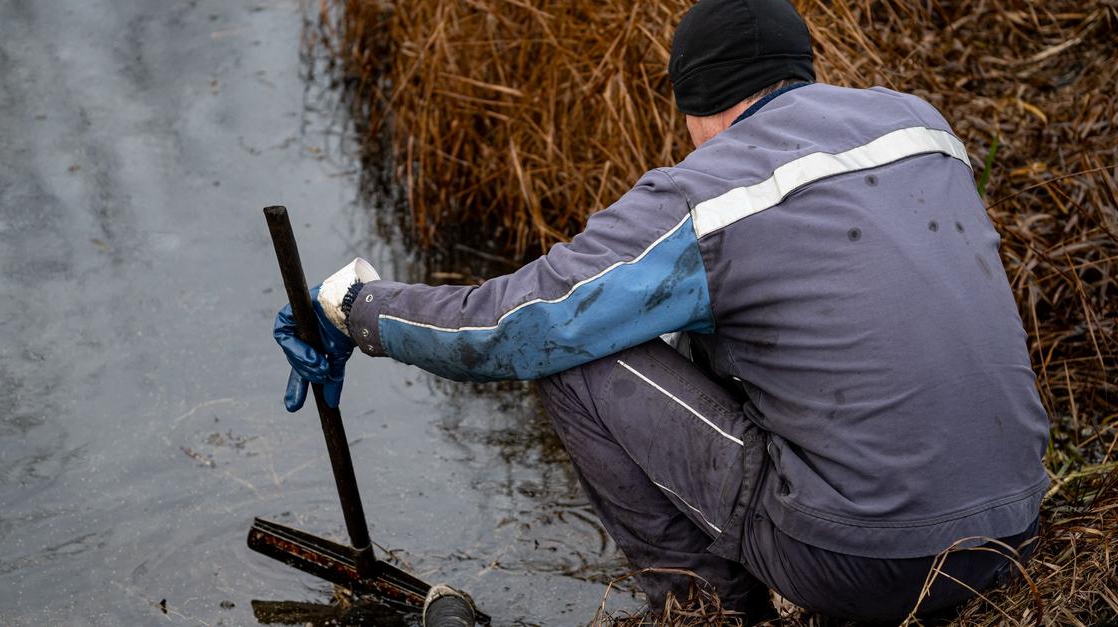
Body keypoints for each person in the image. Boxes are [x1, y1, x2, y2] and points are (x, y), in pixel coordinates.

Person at [273, 0, 1049, 621]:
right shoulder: (921, 127)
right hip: (1012, 525)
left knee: (576, 355)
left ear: (697, 99)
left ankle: (706, 607)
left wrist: (356, 307)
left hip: (872, 564)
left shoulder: (710, 192)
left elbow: (512, 327)